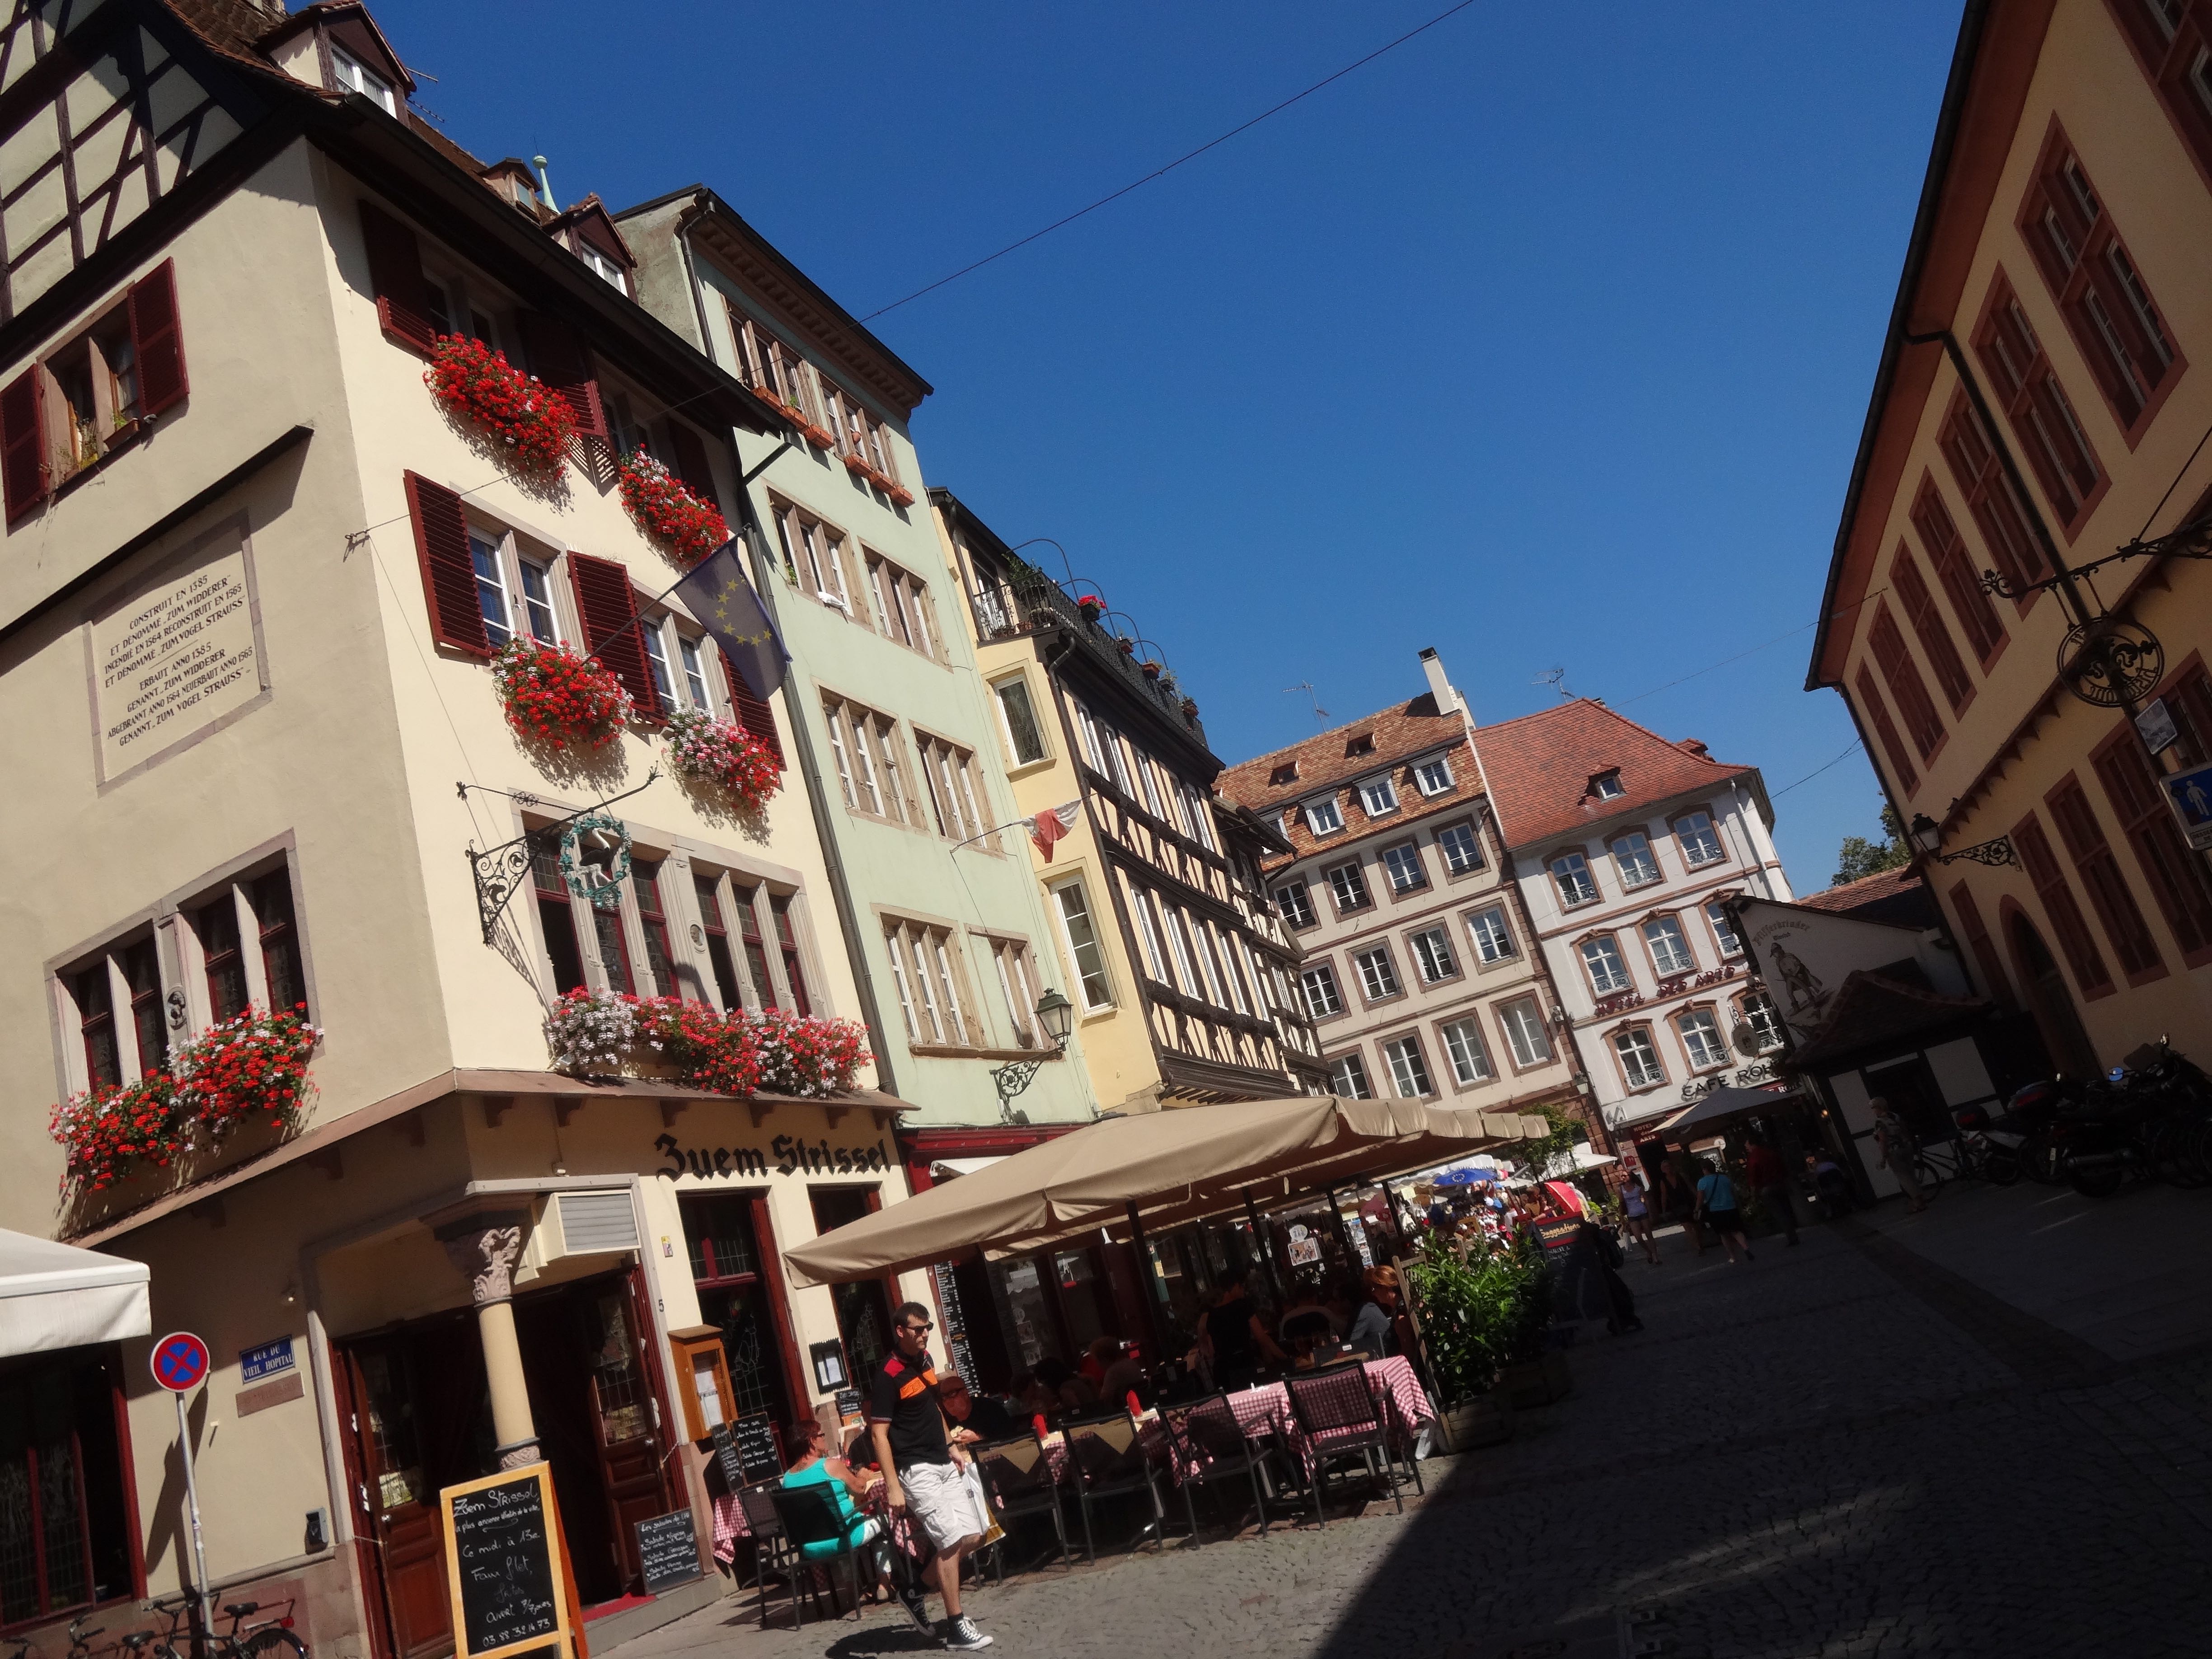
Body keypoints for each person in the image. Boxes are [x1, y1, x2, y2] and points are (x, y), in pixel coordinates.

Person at [867, 1303, 994, 1650]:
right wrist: (894, 1486)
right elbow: (879, 1435)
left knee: (973, 1534)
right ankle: (956, 1626)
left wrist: (951, 1443)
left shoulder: (926, 1362)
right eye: (918, 1329)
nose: (925, 1335)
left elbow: (933, 1408)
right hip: (916, 1469)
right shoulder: (887, 1375)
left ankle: (915, 1591)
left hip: (942, 1459)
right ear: (900, 1331)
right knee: (950, 1542)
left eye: (928, 1329)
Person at [781, 1417, 893, 1603]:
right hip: (844, 1538)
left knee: (837, 1523)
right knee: (884, 1521)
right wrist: (864, 1476)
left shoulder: (787, 1479)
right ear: (812, 1441)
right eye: (821, 1435)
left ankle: (853, 1588)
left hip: (809, 1546)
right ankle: (884, 1584)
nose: (823, 1438)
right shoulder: (830, 1465)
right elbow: (858, 1488)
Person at [1202, 1269, 1288, 1389]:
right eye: (1243, 1286)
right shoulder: (1243, 1305)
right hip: (1244, 1365)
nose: (1244, 1290)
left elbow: (1212, 1351)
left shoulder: (1211, 1315)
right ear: (1236, 1286)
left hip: (1223, 1371)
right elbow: (1262, 1337)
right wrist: (1284, 1357)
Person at [1871, 1098, 1927, 1214]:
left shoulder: (1880, 1122)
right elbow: (1905, 1129)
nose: (1873, 1111)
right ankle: (1922, 1200)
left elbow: (1883, 1140)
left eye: (1873, 1108)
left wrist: (1884, 1157)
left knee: (1904, 1178)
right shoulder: (1895, 1116)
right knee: (1912, 1175)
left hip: (1894, 1151)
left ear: (1878, 1108)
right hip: (1907, 1146)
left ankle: (1918, 1203)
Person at [1743, 1133, 1798, 1247]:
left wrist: (1754, 1195)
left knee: (1779, 1213)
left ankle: (1791, 1237)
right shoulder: (1771, 1153)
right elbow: (1783, 1168)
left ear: (1752, 1145)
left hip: (1767, 1188)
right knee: (1786, 1209)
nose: (1747, 1148)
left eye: (1747, 1146)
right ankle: (1793, 1231)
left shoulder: (1754, 1158)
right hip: (1780, 1184)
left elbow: (1753, 1177)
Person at [1693, 1161, 1753, 1264]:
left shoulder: (1703, 1182)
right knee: (1736, 1231)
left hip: (1716, 1211)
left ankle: (1733, 1256)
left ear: (1705, 1170)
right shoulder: (1724, 1179)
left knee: (1724, 1234)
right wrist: (1739, 1206)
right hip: (1731, 1207)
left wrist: (1696, 1210)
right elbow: (1734, 1193)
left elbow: (1700, 1198)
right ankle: (1746, 1248)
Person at [1345, 1264, 1404, 1358]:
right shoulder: (1398, 1310)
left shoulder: (1401, 1316)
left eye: (1373, 1289)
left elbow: (1407, 1353)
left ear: (1384, 1287)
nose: (1373, 1294)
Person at [937, 1372, 1017, 1442]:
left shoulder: (990, 1410)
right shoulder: (944, 1420)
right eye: (944, 1397)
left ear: (965, 1394)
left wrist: (978, 1440)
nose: (948, 1401)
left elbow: (1009, 1441)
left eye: (952, 1394)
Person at [1277, 1277, 1335, 1356]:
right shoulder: (1322, 1311)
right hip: (1327, 1355)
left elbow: (1283, 1343)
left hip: (1300, 1361)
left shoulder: (1286, 1319)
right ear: (1314, 1298)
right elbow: (1341, 1330)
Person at [1619, 1171, 1660, 1265]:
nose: (1623, 1178)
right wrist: (1622, 1217)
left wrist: (1650, 1214)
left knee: (1649, 1235)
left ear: (1630, 1176)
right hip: (1631, 1215)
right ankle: (1648, 1251)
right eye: (1622, 1176)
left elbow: (1646, 1200)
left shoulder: (1638, 1187)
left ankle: (1656, 1257)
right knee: (1638, 1237)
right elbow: (1621, 1203)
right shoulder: (1621, 1189)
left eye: (1625, 1176)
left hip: (1642, 1212)